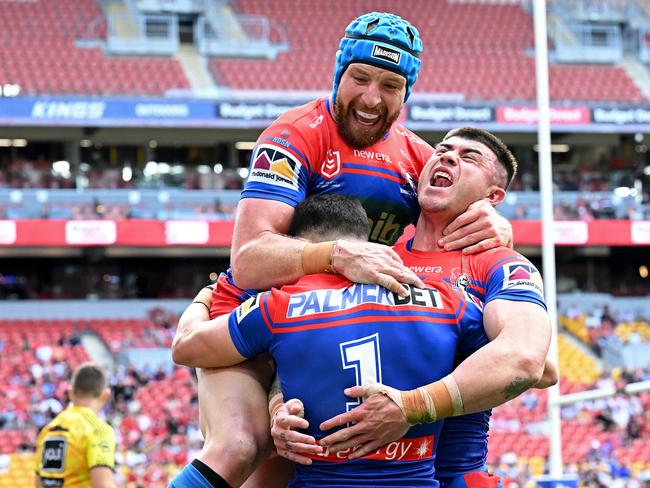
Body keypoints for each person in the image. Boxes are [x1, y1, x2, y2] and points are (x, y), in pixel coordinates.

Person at [182, 11, 514, 488]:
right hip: (254, 313)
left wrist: (496, 220)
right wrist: (337, 255)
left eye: (390, 85)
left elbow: (461, 208)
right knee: (243, 445)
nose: (372, 98)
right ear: (340, 73)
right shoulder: (293, 136)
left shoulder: (420, 158)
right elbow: (250, 260)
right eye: (360, 78)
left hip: (330, 326)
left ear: (407, 93)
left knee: (307, 462)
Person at [269, 128, 558, 487]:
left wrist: (413, 406)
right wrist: (277, 408)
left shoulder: (500, 265)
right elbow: (303, 344)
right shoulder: (370, 257)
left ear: (493, 195)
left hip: (451, 476)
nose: (448, 156)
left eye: (469, 157)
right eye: (442, 149)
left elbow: (531, 362)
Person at [172, 193, 507, 487]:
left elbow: (187, 347)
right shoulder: (447, 301)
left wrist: (207, 295)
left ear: (303, 241)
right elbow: (524, 366)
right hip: (421, 479)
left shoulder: (279, 304)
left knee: (235, 448)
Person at [35, 362, 117, 488]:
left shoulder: (48, 430)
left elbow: (38, 483)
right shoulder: (98, 430)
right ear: (105, 395)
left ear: (70, 392)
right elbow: (103, 485)